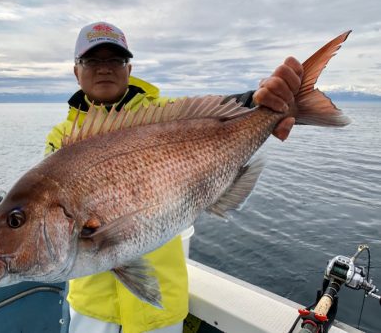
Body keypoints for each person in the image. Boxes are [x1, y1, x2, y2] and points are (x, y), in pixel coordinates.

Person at [45, 22, 303, 333]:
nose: (104, 69)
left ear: (129, 69)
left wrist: (263, 100)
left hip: (161, 310)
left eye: (114, 60)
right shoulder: (62, 139)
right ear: (76, 71)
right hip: (92, 309)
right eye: (91, 61)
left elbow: (219, 114)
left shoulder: (166, 116)